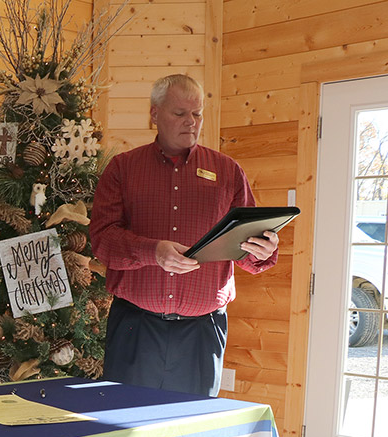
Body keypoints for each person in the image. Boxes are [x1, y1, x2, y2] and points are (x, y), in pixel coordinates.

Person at [89, 74, 279, 396]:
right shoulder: (122, 169)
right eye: (180, 113)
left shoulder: (229, 171)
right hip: (136, 327)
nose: (191, 122)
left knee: (192, 433)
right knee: (124, 424)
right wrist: (154, 252)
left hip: (202, 333)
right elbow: (102, 240)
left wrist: (263, 250)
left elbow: (247, 244)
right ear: (154, 114)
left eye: (197, 114)